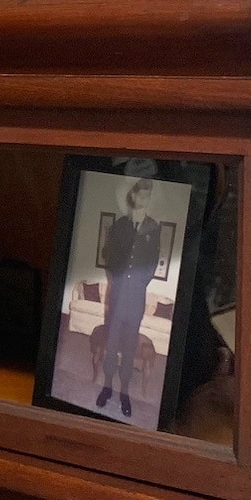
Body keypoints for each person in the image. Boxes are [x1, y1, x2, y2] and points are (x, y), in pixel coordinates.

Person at [96, 177, 162, 417]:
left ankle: (125, 392)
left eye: (147, 195)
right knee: (112, 344)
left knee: (130, 344)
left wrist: (137, 284)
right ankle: (107, 388)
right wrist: (120, 280)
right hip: (117, 296)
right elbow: (111, 258)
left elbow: (152, 264)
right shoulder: (120, 226)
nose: (143, 199)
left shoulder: (153, 229)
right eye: (140, 194)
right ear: (133, 197)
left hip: (136, 299)